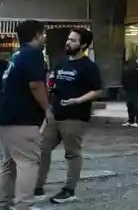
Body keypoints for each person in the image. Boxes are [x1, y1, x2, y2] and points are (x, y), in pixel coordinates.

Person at [35, 28, 103, 204]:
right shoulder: (61, 62)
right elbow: (53, 84)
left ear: (83, 45)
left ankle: (69, 190)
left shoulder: (89, 67)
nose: (68, 42)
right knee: (42, 149)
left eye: (73, 40)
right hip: (55, 115)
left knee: (72, 153)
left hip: (75, 117)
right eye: (68, 39)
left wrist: (78, 100)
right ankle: (37, 187)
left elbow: (97, 90)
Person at [0, 19, 50, 210]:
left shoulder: (17, 55)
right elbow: (36, 85)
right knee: (28, 163)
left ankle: (2, 204)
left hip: (5, 116)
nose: (45, 37)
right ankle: (23, 205)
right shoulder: (33, 54)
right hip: (23, 118)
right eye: (44, 33)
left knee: (9, 164)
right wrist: (47, 109)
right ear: (37, 35)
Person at [120, 54, 138, 128]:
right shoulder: (133, 68)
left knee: (137, 106)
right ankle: (130, 120)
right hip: (130, 89)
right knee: (130, 105)